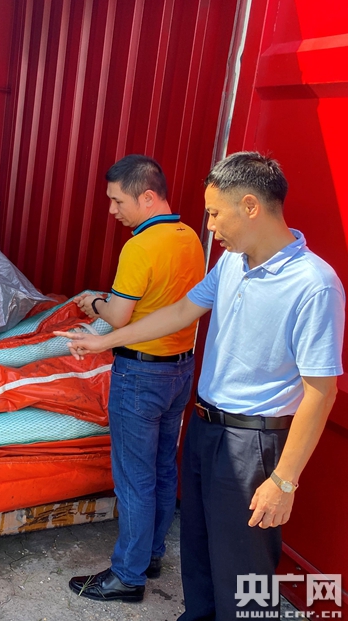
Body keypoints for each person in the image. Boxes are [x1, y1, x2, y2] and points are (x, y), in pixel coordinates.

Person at [59, 152, 344, 620]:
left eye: (214, 213)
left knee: (243, 567)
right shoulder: (232, 263)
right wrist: (103, 342)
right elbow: (179, 312)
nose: (208, 226)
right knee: (198, 548)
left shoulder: (314, 284)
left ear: (250, 206)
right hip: (206, 423)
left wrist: (283, 480)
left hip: (254, 442)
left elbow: (321, 390)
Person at [66, 155, 205, 603]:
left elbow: (119, 315)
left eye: (117, 201)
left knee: (134, 479)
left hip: (141, 375)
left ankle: (127, 576)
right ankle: (150, 555)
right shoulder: (190, 238)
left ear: (147, 197)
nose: (112, 211)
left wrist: (94, 302)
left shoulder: (140, 246)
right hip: (179, 371)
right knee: (163, 469)